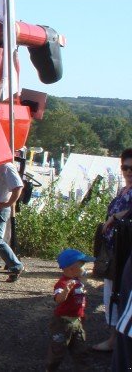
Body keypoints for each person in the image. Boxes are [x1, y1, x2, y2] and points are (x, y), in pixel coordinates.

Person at [94, 148, 132, 352]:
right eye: (125, 167)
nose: (128, 171)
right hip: (114, 249)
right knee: (111, 291)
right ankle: (114, 338)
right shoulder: (123, 190)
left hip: (125, 250)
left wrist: (115, 217)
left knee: (119, 291)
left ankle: (116, 340)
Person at [46, 248, 94, 371]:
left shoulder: (78, 280)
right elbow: (58, 299)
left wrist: (81, 314)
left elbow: (79, 300)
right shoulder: (63, 283)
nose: (85, 268)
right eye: (82, 265)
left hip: (76, 321)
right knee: (58, 350)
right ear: (71, 269)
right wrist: (66, 292)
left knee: (81, 349)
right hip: (62, 322)